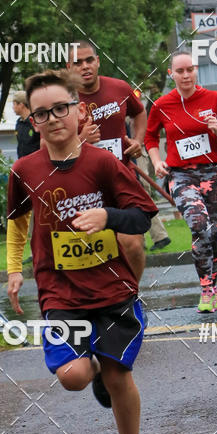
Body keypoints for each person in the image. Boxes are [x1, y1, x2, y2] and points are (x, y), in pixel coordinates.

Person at [6, 69, 157, 434]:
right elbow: (17, 223)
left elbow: (142, 217)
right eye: (42, 113)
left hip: (111, 288)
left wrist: (107, 216)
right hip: (60, 290)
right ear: (32, 122)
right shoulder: (24, 170)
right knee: (73, 376)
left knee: (118, 375)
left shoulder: (104, 163)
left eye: (60, 108)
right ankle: (89, 362)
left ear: (79, 111)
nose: (53, 118)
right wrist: (15, 269)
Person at [145, 49, 217, 312]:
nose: (186, 75)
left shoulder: (214, 98)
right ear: (171, 74)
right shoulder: (162, 104)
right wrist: (156, 162)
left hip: (213, 174)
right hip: (181, 175)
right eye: (180, 71)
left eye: (190, 70)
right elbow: (150, 138)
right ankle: (207, 290)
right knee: (199, 224)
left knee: (214, 234)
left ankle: (212, 287)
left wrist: (216, 129)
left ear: (196, 70)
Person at [67, 40, 148, 280]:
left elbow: (140, 112)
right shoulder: (62, 99)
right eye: (77, 62)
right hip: (82, 186)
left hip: (121, 178)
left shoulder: (120, 88)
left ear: (98, 61)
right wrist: (81, 140)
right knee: (92, 253)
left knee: (132, 244)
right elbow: (45, 146)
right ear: (69, 67)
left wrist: (138, 140)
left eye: (89, 60)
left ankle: (131, 296)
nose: (85, 66)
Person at [12, 90, 40, 157]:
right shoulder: (18, 122)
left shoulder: (36, 121)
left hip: (35, 162)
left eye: (14, 104)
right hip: (22, 163)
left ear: (21, 105)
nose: (12, 107)